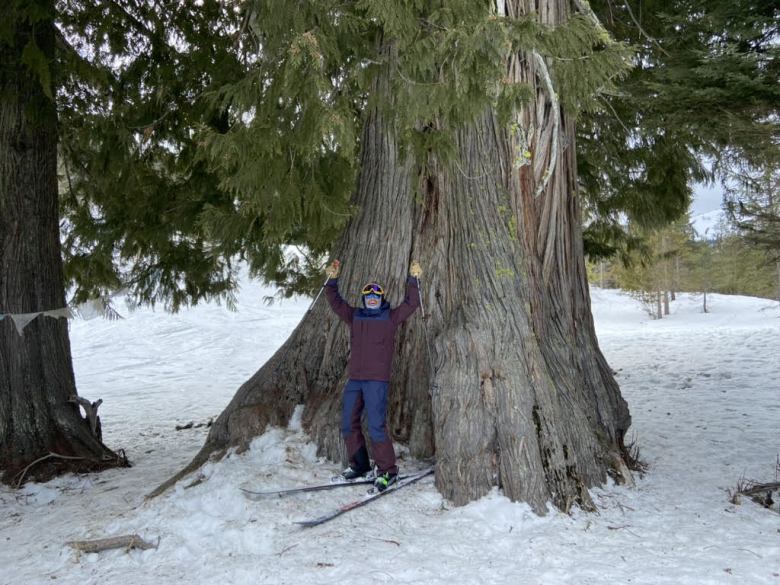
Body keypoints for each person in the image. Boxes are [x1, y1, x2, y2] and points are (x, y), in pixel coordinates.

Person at [324, 259, 422, 491]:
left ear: (381, 298)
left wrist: (413, 279)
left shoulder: (390, 317)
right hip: (355, 379)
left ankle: (388, 471)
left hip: (377, 380)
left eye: (376, 295)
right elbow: (336, 302)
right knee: (349, 422)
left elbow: (411, 303)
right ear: (364, 298)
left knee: (377, 426)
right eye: (368, 295)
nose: (372, 298)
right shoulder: (355, 316)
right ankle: (360, 466)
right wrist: (332, 279)